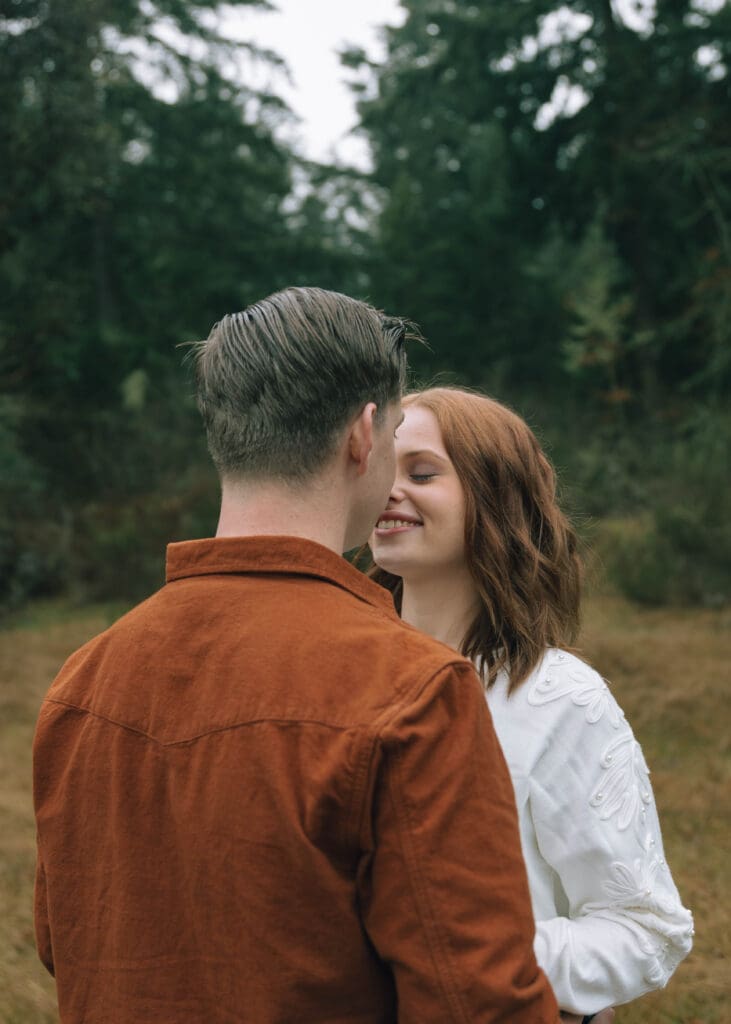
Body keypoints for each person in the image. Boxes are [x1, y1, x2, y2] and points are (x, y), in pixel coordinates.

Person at [33, 289, 561, 1023]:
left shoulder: (83, 682)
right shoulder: (412, 689)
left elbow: (67, 942)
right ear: (363, 432)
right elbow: (474, 1001)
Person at [369, 386, 694, 1022]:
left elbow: (647, 930)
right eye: (380, 467)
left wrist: (475, 957)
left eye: (422, 472)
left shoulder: (560, 699)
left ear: (494, 497)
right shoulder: (338, 673)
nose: (389, 489)